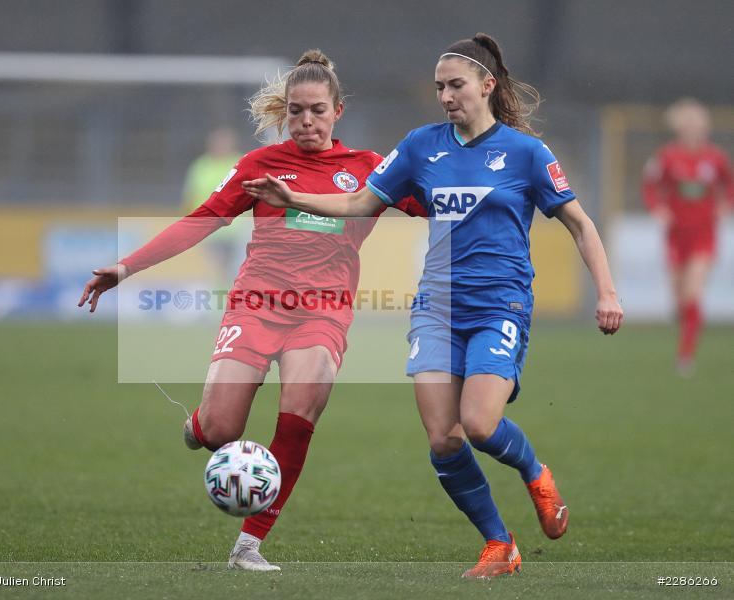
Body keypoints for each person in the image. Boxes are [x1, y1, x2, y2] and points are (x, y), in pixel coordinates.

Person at [243, 33, 624, 578]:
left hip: (499, 306)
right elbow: (358, 202)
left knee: (479, 424)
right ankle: (499, 544)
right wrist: (293, 197)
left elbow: (580, 224)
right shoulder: (422, 145)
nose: (446, 95)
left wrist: (607, 292)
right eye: (439, 86)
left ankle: (536, 473)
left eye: (456, 85)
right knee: (444, 440)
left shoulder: (526, 153)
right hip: (436, 307)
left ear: (487, 86)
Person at [79, 49, 424, 571]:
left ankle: (249, 544)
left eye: (317, 111)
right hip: (257, 305)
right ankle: (200, 425)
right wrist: (125, 268)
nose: (306, 121)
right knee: (221, 430)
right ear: (285, 112)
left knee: (301, 410)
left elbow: (436, 204)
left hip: (323, 311)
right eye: (296, 111)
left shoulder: (367, 170)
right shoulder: (260, 166)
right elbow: (200, 221)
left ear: (338, 111)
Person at [642, 98, 733, 376]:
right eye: (688, 125)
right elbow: (650, 185)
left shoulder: (715, 158)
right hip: (675, 236)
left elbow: (729, 185)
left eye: (698, 125)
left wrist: (725, 205)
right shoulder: (668, 157)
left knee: (694, 290)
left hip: (704, 235)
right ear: (679, 128)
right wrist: (658, 208)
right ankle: (687, 329)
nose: (694, 130)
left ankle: (685, 356)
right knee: (679, 300)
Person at [181, 127, 248, 283]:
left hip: (237, 231)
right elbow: (190, 198)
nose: (220, 146)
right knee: (217, 272)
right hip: (210, 231)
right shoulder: (200, 166)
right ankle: (218, 303)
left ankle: (234, 302)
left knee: (237, 271)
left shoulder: (242, 162)